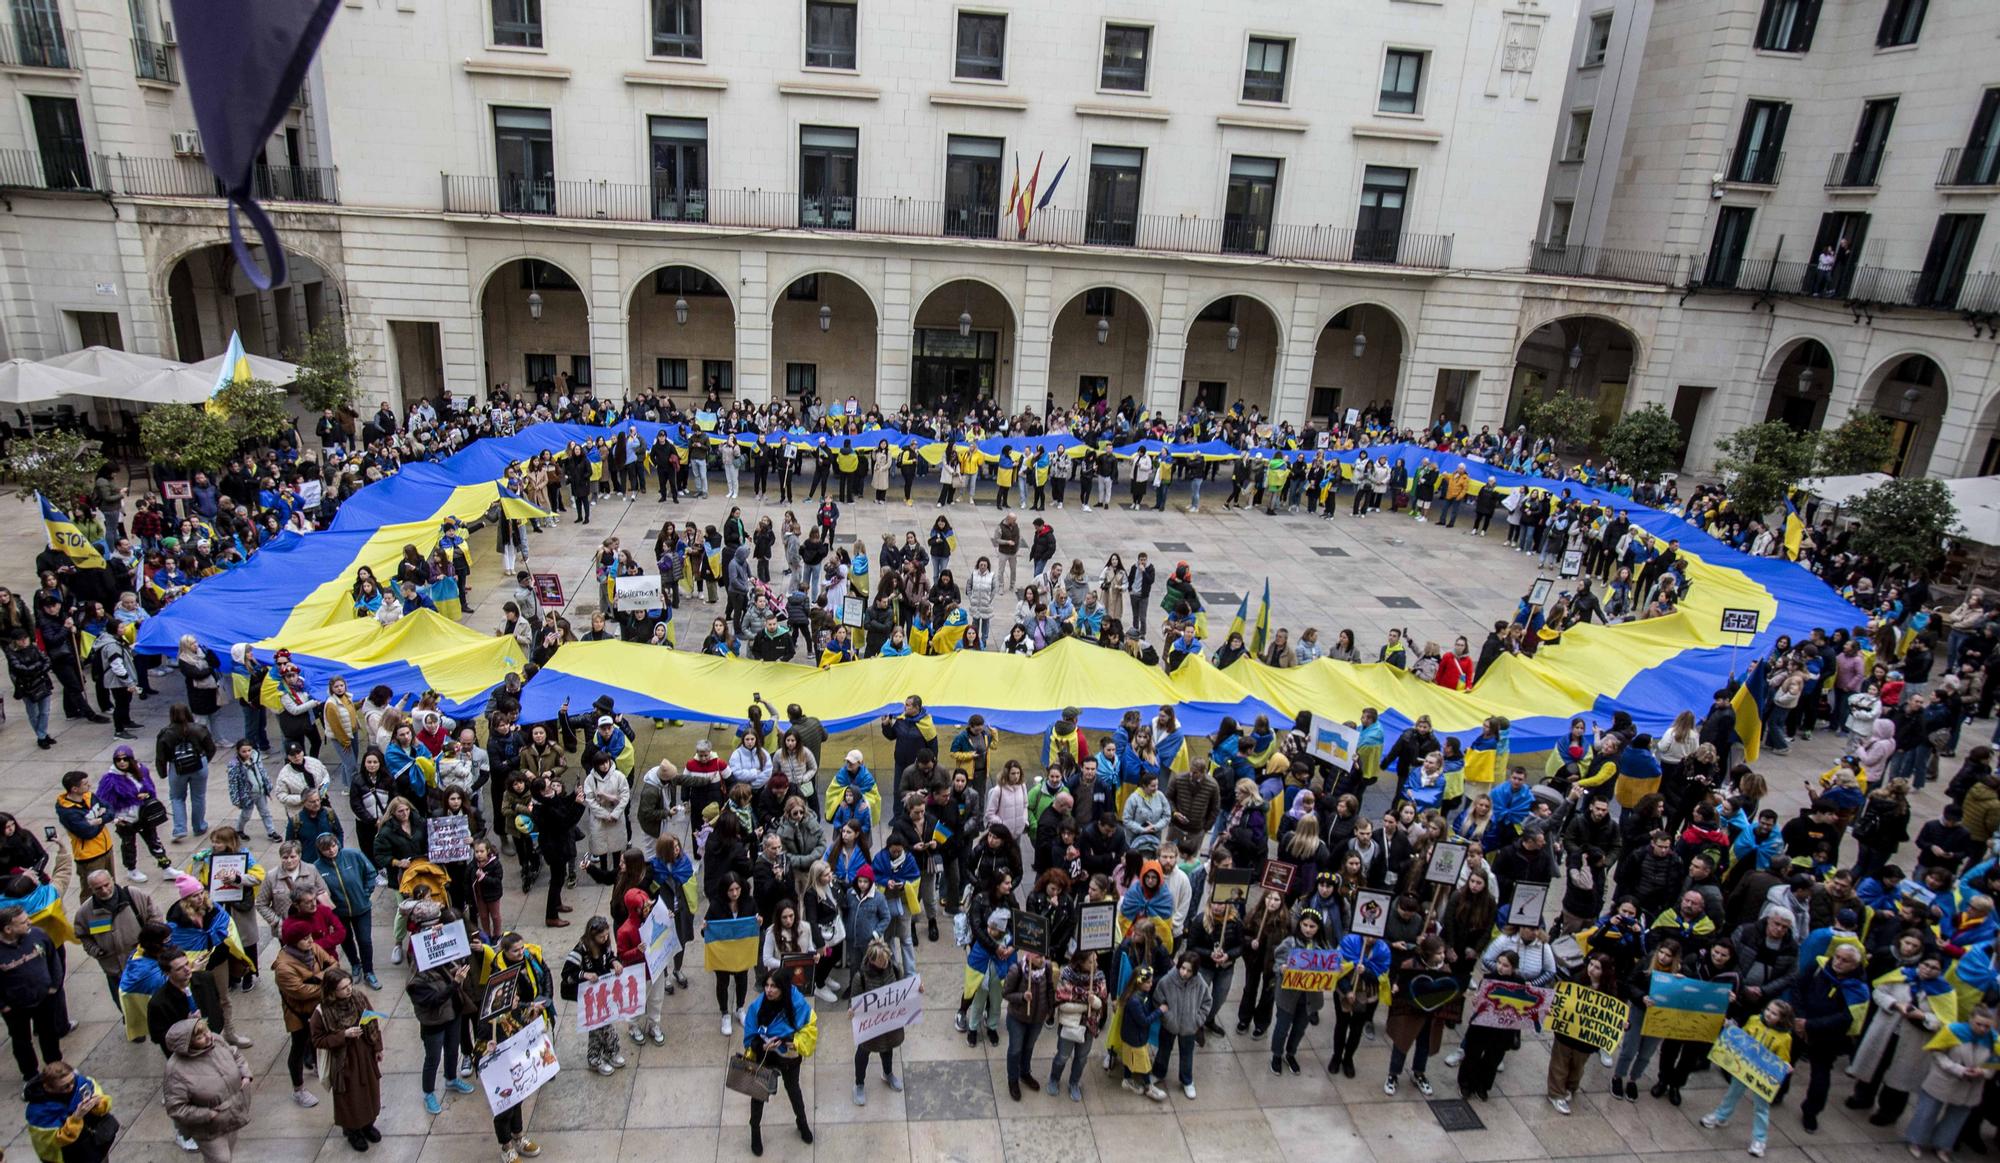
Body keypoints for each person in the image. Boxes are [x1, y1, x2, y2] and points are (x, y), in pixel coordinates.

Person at [1905, 1005, 1999, 1162]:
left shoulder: (1995, 1040)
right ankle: (1915, 1141)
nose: (1983, 1029)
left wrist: (1983, 1072)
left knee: (1956, 1119)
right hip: (1943, 1080)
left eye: (1987, 1026)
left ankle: (1943, 1146)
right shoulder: (1952, 1031)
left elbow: (1995, 1063)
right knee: (1926, 1113)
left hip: (1971, 1086)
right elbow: (1937, 1053)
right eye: (1979, 1024)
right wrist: (1957, 1069)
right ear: (1970, 1020)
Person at [740, 967, 817, 1157]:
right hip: (766, 1057)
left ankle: (802, 1122)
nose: (768, 990)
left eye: (773, 986)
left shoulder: (797, 1004)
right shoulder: (758, 1007)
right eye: (766, 985)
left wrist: (788, 1041)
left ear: (783, 987)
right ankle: (755, 1129)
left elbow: (808, 1028)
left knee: (794, 1090)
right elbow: (750, 1035)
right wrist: (761, 1046)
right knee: (758, 1094)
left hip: (788, 1057)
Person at [307, 966, 384, 1151]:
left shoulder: (358, 998)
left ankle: (367, 1124)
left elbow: (372, 1020)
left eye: (350, 985)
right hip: (344, 1061)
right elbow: (317, 1039)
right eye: (344, 988)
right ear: (332, 991)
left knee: (370, 1090)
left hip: (364, 1053)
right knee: (351, 1098)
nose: (349, 989)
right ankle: (353, 1131)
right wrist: (344, 1035)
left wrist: (377, 1047)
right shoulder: (322, 1011)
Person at [162, 1018, 254, 1163]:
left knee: (228, 1153)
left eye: (207, 1031)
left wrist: (245, 1074)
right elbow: (176, 1108)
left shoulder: (216, 1041)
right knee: (221, 1159)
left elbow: (235, 1054)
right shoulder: (175, 1070)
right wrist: (208, 1115)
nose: (208, 1037)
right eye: (200, 1037)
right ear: (187, 1044)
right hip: (208, 1127)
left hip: (233, 1113)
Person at [405, 934, 476, 1115]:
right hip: (434, 1023)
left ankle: (451, 1079)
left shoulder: (439, 966)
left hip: (453, 1016)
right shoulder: (416, 983)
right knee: (433, 1058)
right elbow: (435, 1000)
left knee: (453, 1050)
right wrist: (455, 982)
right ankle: (428, 1093)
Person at [72, 866, 161, 1007]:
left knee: (153, 1001)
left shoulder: (134, 895)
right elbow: (82, 935)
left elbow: (154, 916)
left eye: (106, 885)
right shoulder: (85, 912)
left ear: (112, 880)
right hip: (115, 970)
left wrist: (151, 942)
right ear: (91, 889)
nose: (104, 890)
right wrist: (95, 950)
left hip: (144, 962)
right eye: (98, 888)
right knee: (125, 1005)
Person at [272, 916, 335, 1109]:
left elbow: (332, 963)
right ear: (292, 942)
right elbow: (300, 992)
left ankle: (318, 1065)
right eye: (304, 938)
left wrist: (318, 979)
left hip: (317, 1008)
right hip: (298, 1014)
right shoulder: (284, 967)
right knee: (298, 1048)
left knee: (317, 1039)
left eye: (309, 936)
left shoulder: (313, 949)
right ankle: (298, 1089)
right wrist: (326, 984)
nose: (310, 940)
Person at [0, 903, 67, 1079]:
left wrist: (54, 986)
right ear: (8, 929)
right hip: (15, 1007)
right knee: (21, 1041)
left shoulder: (38, 935)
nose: (29, 922)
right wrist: (3, 1005)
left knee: (49, 1035)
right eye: (23, 922)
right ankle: (30, 1076)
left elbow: (54, 960)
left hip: (44, 999)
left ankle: (56, 1067)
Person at [849, 937, 907, 1105]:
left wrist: (917, 989)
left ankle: (887, 1073)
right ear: (872, 960)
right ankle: (859, 1084)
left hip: (888, 1021)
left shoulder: (894, 968)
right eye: (882, 960)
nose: (885, 962)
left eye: (887, 959)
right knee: (864, 1051)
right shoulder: (860, 977)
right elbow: (855, 1000)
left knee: (888, 1047)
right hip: (870, 1023)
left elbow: (904, 988)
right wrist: (853, 1011)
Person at [23, 1059, 116, 1163]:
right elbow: (56, 1141)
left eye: (73, 1081)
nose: (71, 1087)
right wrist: (76, 1118)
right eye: (65, 1086)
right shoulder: (38, 1112)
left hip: (95, 1145)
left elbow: (104, 1106)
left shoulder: (82, 1083)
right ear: (48, 1087)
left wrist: (97, 1104)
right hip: (68, 1156)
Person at [1047, 948, 1109, 1102]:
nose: (1095, 964)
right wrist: (1085, 1006)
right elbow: (1062, 1005)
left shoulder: (1099, 977)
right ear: (1080, 962)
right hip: (1069, 1024)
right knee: (1062, 1056)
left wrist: (1093, 1001)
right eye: (1090, 961)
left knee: (1081, 1058)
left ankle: (1074, 1082)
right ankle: (1054, 1078)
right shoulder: (1067, 974)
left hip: (1089, 1026)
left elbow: (1101, 1004)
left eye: (1096, 960)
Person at [1154, 948, 1212, 1098]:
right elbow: (1158, 999)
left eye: (1189, 970)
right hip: (1169, 1025)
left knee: (1187, 1055)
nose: (1184, 973)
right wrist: (1166, 1016)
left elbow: (1207, 1002)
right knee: (1163, 1051)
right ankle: (1159, 1073)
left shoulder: (1200, 984)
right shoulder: (1167, 981)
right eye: (1183, 968)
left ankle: (1187, 1081)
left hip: (1189, 1027)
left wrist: (1198, 1020)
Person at [1002, 944, 1056, 1100]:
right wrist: (1022, 997)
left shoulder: (1047, 968)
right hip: (1017, 1019)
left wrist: (1050, 1010)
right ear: (1029, 955)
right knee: (1015, 1050)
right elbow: (1005, 993)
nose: (1043, 959)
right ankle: (1013, 1080)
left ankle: (1025, 1073)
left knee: (1029, 1047)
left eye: (1043, 956)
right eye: (1039, 956)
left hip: (1037, 1019)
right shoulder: (1016, 970)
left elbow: (1050, 989)